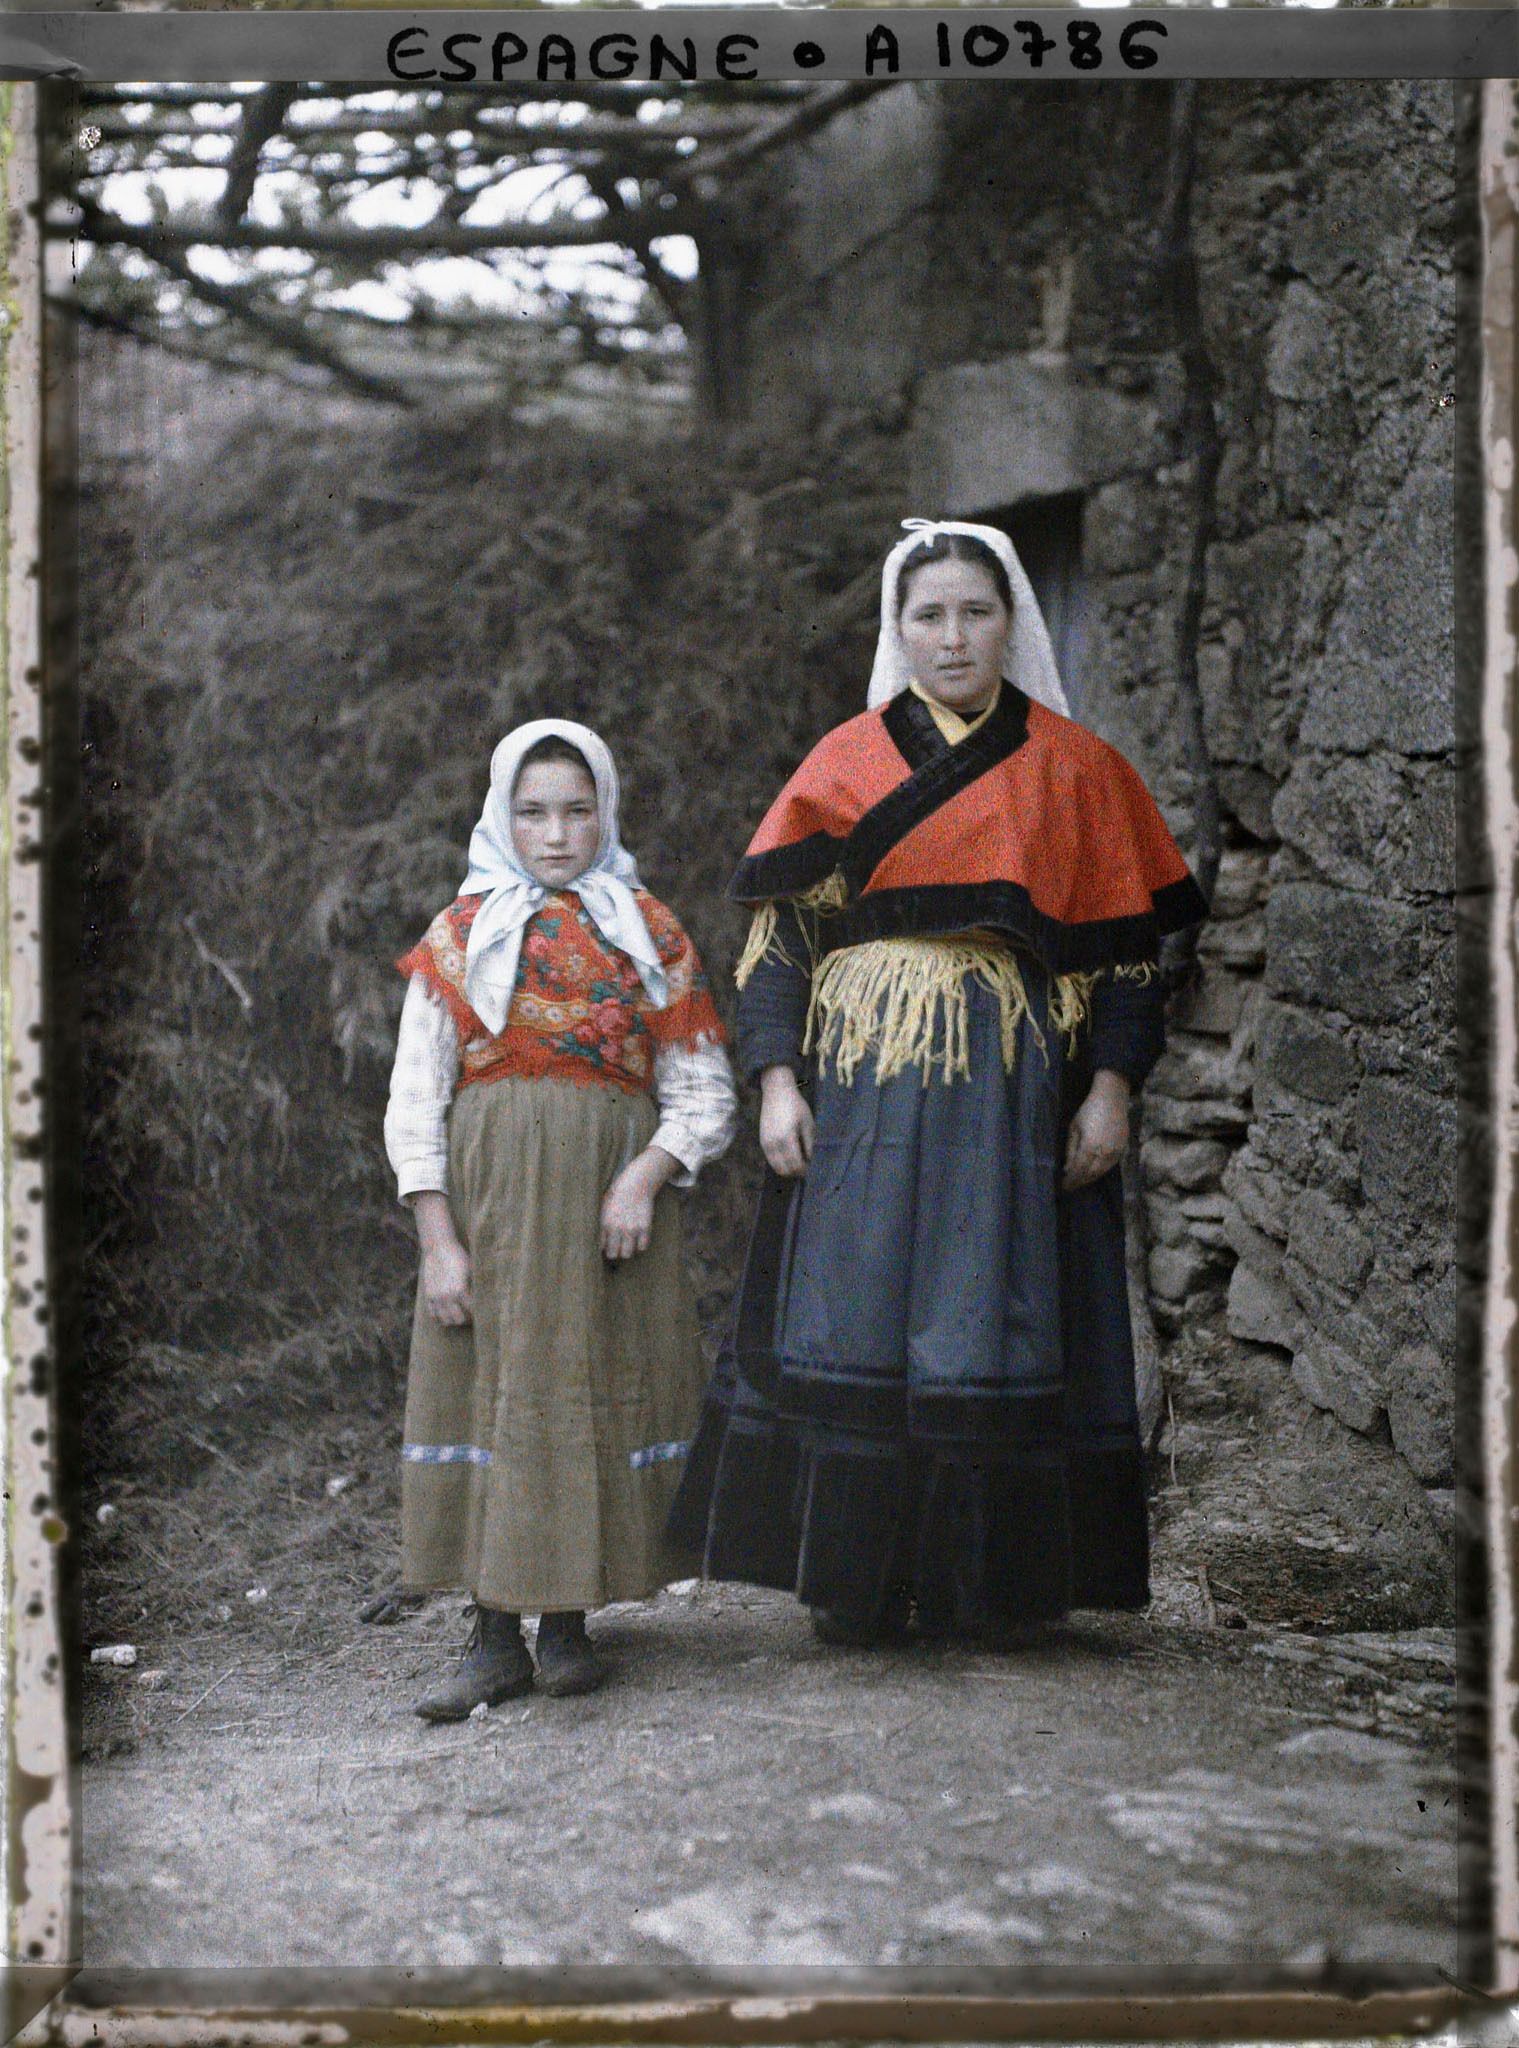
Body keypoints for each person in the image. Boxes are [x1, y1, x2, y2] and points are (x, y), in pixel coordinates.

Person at [668, 519, 1208, 1647]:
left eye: (975, 611)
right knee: (856, 1310)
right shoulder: (841, 763)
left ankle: (987, 1593)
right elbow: (776, 950)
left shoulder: (1077, 768)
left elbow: (1125, 963)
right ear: (896, 629)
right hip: (860, 1095)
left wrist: (1108, 1090)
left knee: (987, 1312)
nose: (953, 636)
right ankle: (856, 1587)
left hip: (1006, 1100)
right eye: (929, 615)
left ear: (1012, 622)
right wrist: (776, 1083)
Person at [385, 719, 736, 1716]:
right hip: (492, 1207)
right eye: (532, 811)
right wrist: (438, 1237)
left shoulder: (648, 932)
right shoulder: (460, 936)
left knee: (587, 1383)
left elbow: (702, 1089)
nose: (555, 832)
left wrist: (644, 1178)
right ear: (501, 815)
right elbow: (415, 1096)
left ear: (605, 813)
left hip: (607, 1211)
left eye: (577, 810)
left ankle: (569, 1624)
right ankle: (493, 1637)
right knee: (496, 1387)